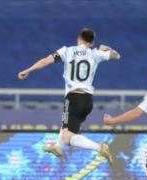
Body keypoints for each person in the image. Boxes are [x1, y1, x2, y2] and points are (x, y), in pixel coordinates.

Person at [18, 28, 120, 163]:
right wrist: (105, 48)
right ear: (92, 42)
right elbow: (116, 56)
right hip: (88, 100)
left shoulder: (67, 51)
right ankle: (58, 146)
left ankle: (99, 147)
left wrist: (28, 70)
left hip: (73, 98)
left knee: (68, 135)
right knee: (66, 127)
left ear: (78, 39)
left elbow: (46, 61)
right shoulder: (95, 54)